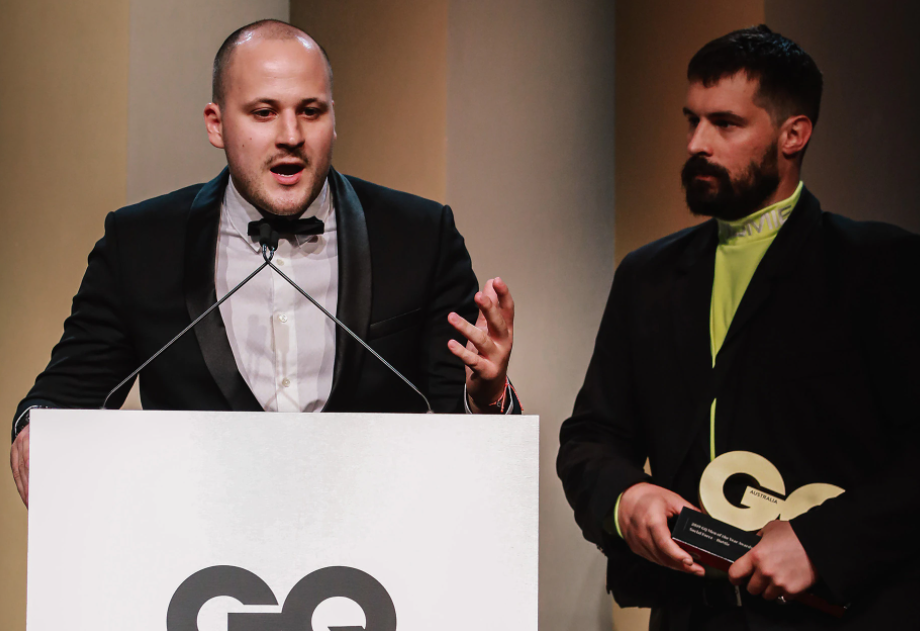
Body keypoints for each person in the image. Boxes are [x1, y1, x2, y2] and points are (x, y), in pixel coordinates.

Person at [10, 20, 519, 507]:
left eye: (312, 111)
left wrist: (489, 396)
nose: (291, 134)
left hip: (374, 561)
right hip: (194, 566)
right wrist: (37, 429)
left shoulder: (419, 237)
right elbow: (62, 397)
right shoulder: (140, 244)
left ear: (333, 119)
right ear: (216, 124)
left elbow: (465, 437)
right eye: (263, 112)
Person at [557, 25, 919, 630]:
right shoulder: (647, 276)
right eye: (691, 121)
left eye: (725, 124)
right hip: (691, 615)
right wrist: (628, 499)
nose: (697, 143)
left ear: (793, 134)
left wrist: (820, 544)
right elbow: (592, 437)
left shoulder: (881, 267)